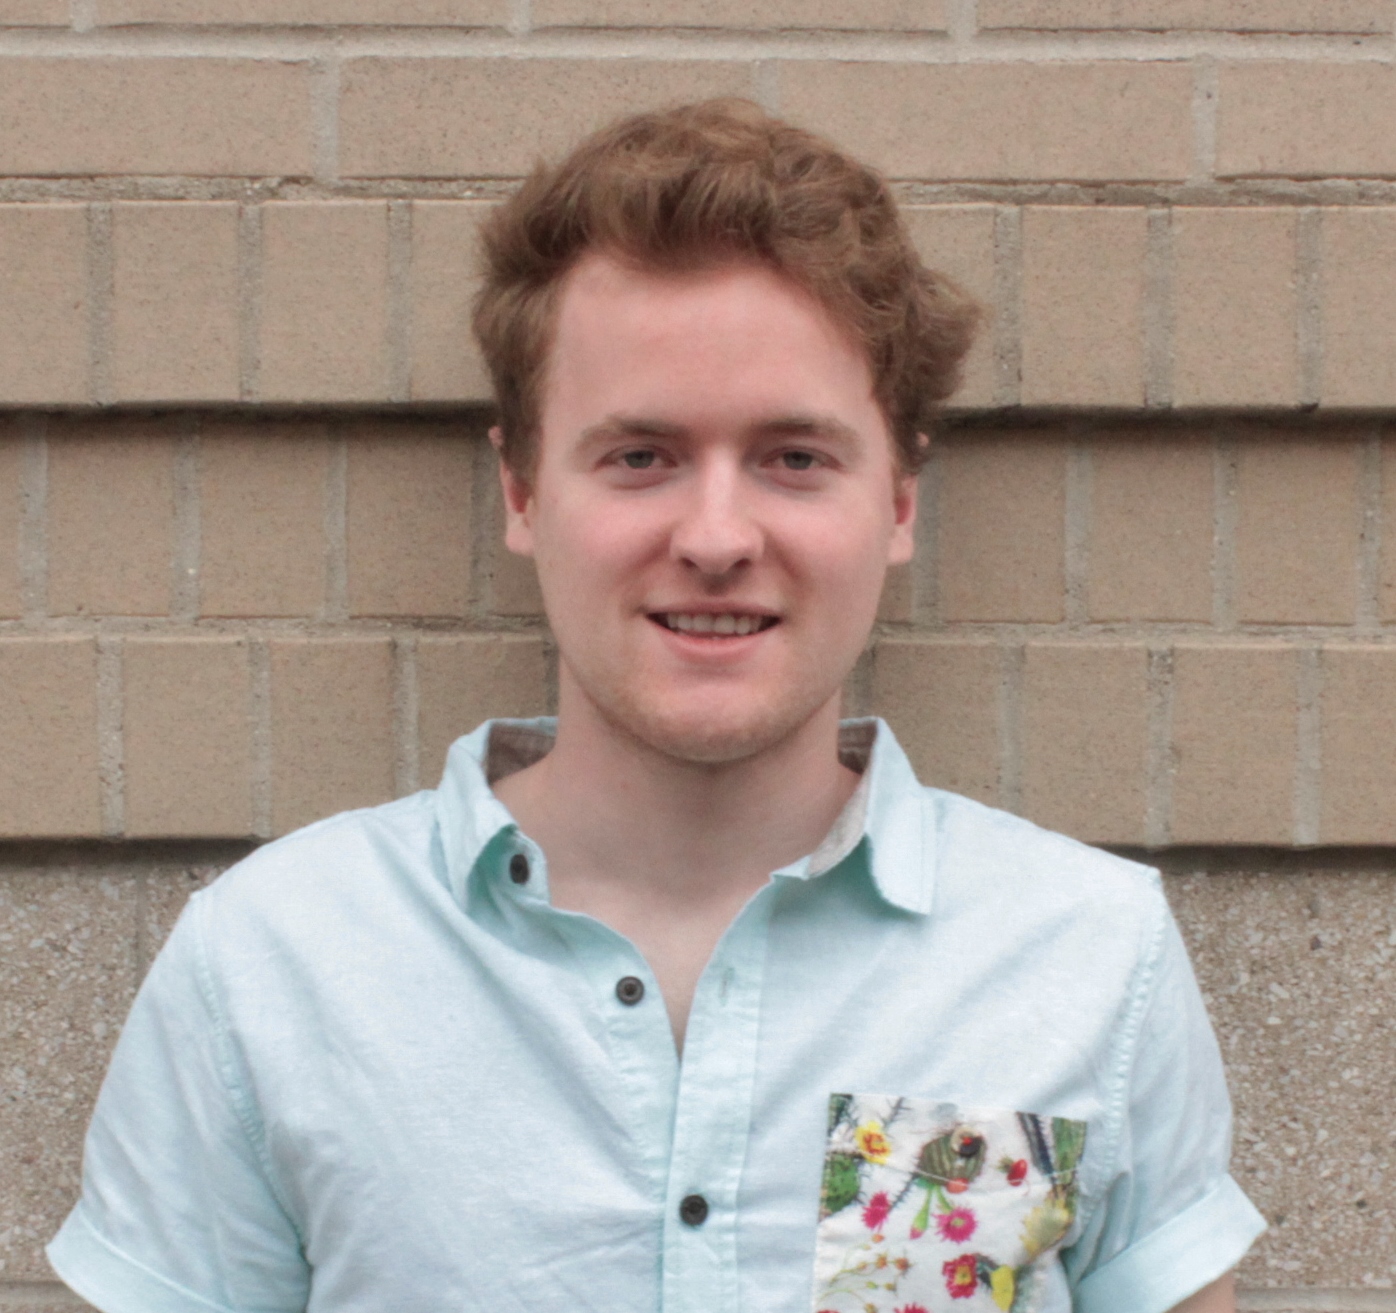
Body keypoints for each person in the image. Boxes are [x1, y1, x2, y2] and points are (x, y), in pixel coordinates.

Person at [48, 99, 1264, 1313]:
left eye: (794, 458)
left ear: (897, 502)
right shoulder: (272, 963)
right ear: (523, 491)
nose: (717, 537)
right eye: (640, 457)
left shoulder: (1085, 955)